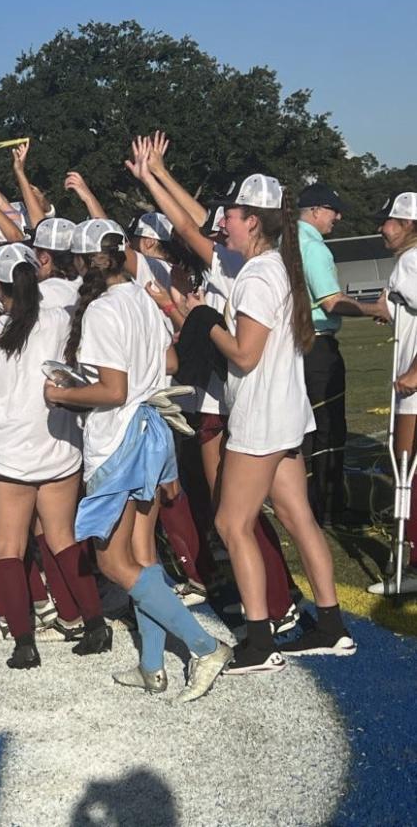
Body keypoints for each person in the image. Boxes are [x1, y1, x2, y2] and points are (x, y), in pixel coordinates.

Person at [173, 175, 356, 670]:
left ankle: (259, 641)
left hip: (261, 416)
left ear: (252, 219)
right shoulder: (278, 266)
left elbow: (245, 355)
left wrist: (204, 318)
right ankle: (332, 624)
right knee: (299, 518)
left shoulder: (257, 275)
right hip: (286, 412)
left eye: (229, 215)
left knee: (233, 523)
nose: (222, 224)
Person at [44, 219, 230, 701]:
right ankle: (152, 665)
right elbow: (169, 361)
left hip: (118, 439)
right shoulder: (142, 302)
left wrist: (63, 394)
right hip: (152, 432)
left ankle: (205, 645)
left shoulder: (104, 311)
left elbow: (112, 390)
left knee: (111, 560)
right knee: (145, 555)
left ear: (84, 262)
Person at [0, 243, 110, 669]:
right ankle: (95, 623)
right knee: (63, 538)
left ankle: (24, 642)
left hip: (9, 455)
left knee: (8, 547)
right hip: (59, 446)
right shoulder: (61, 321)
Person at [296, 183, 388, 524]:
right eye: (333, 209)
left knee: (303, 428)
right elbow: (331, 301)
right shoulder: (313, 248)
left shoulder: (285, 242)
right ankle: (328, 507)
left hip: (293, 349)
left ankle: (304, 502)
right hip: (317, 346)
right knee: (329, 428)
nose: (339, 216)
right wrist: (374, 309)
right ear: (316, 211)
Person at [369, 191, 417, 594]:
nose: (382, 228)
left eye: (388, 221)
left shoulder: (410, 261)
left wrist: (415, 372)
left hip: (414, 390)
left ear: (406, 225)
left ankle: (410, 564)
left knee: (407, 472)